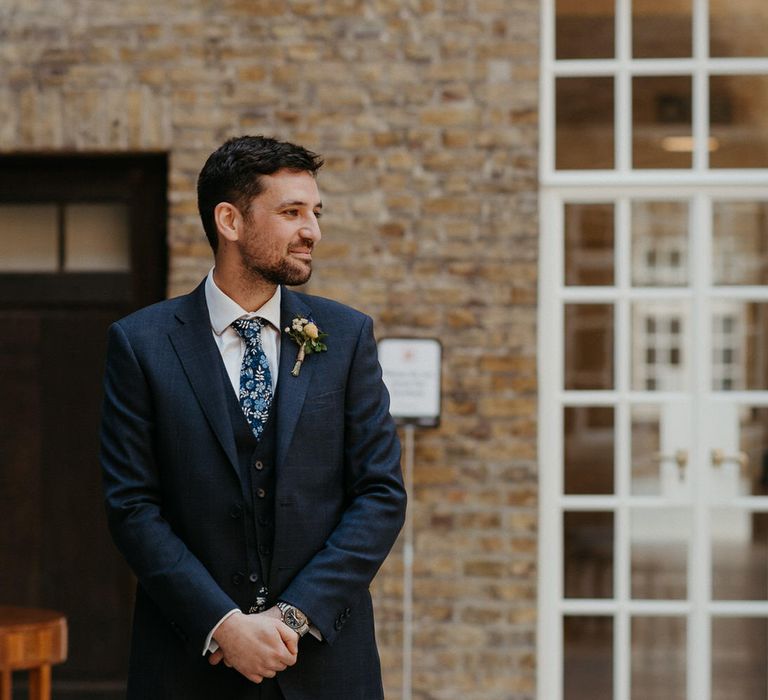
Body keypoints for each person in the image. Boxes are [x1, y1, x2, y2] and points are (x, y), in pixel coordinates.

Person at [100, 135, 407, 699]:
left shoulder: (346, 338)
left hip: (324, 668)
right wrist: (224, 625)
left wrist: (291, 618)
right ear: (230, 221)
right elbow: (132, 506)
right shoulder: (141, 345)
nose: (312, 230)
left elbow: (381, 494)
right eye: (291, 212)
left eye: (315, 213)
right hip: (189, 668)